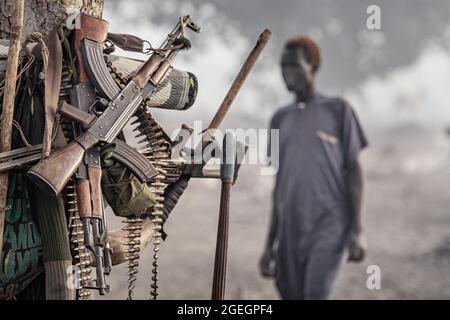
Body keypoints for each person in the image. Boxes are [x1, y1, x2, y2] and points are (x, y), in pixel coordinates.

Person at [259, 36, 368, 300]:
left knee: (316, 293)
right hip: (289, 229)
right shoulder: (279, 118)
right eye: (283, 66)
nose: (287, 72)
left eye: (294, 65)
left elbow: (353, 171)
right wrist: (269, 244)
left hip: (330, 224)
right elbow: (279, 186)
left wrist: (357, 229)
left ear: (313, 66)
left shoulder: (339, 111)